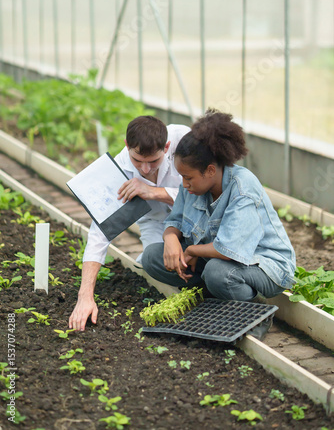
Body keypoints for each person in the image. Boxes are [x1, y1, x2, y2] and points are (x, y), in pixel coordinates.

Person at [142, 109, 296, 302]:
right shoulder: (191, 186)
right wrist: (171, 237)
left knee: (217, 273)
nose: (183, 183)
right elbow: (175, 220)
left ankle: (254, 314)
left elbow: (228, 249)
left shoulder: (242, 188)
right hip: (215, 261)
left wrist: (191, 250)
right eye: (181, 176)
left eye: (188, 177)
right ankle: (210, 297)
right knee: (152, 257)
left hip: (264, 265)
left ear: (210, 170)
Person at [69, 115, 190, 331]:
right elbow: (100, 234)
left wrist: (154, 192)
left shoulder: (184, 140)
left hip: (194, 218)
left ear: (167, 147)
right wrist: (84, 296)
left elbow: (205, 191)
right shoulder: (118, 170)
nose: (145, 169)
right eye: (137, 161)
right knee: (157, 262)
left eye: (153, 161)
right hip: (155, 223)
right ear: (127, 146)